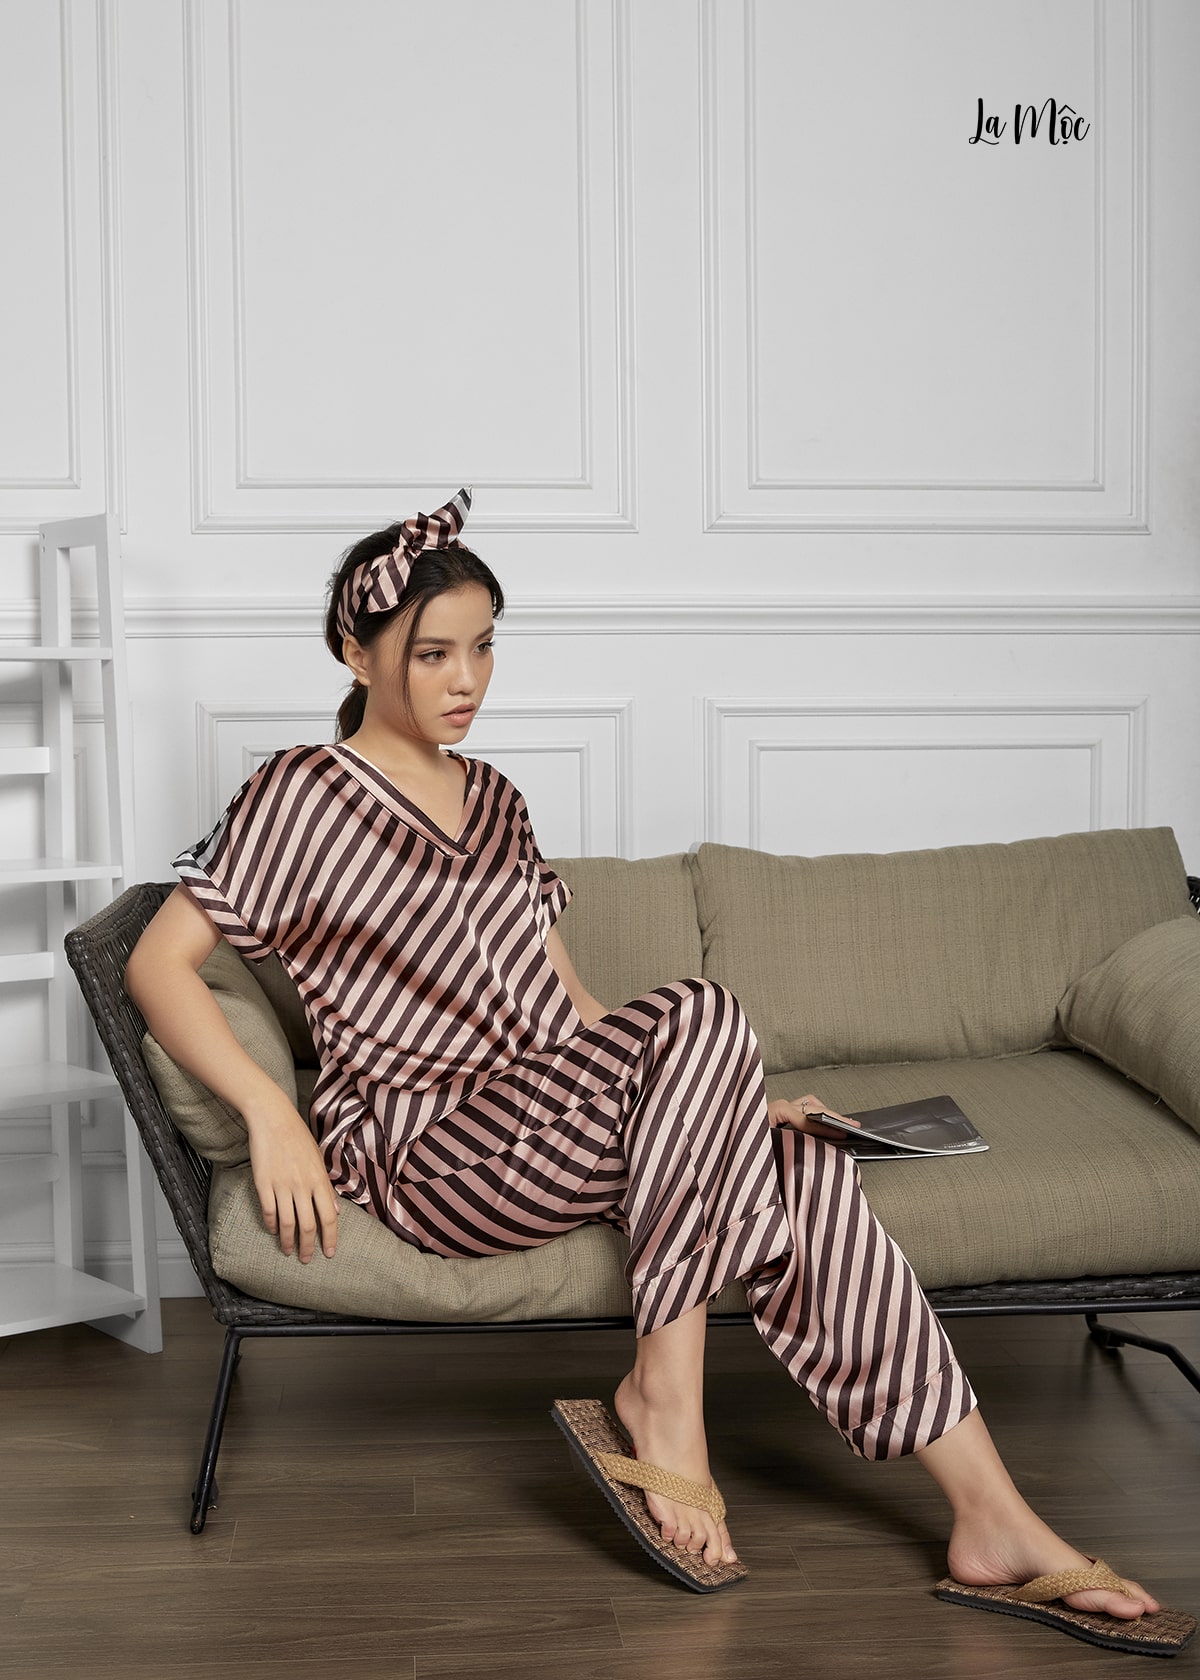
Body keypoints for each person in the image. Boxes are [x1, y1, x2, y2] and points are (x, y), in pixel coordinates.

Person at [125, 491, 1186, 1653]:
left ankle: (991, 1518)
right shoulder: (296, 795)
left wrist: (730, 1097)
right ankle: (663, 1402)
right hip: (430, 1150)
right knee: (703, 1006)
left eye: (484, 647)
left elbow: (570, 1005)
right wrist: (271, 1112)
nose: (467, 679)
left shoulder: (496, 800)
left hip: (552, 1119)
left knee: (796, 1160)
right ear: (355, 651)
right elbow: (155, 964)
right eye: (432, 653)